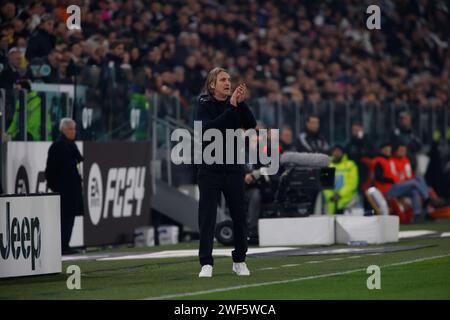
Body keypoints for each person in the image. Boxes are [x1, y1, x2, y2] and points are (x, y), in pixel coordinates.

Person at [195, 67, 256, 278]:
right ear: (212, 84)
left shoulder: (236, 102)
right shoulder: (203, 104)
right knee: (207, 217)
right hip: (210, 169)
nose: (228, 83)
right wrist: (231, 108)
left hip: (233, 168)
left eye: (229, 79)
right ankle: (206, 263)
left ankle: (239, 259)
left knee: (239, 216)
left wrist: (240, 103)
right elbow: (209, 131)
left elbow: (251, 123)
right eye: (223, 80)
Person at [45, 118, 84, 254]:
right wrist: (56, 187)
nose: (73, 132)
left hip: (72, 189)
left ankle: (66, 245)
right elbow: (50, 170)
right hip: (64, 189)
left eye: (74, 129)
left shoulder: (72, 145)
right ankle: (62, 246)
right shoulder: (58, 146)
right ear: (62, 130)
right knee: (64, 219)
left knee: (70, 218)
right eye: (70, 129)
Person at [323, 145, 359, 214]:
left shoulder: (350, 165)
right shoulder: (327, 165)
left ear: (343, 152)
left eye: (339, 151)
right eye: (335, 151)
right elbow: (325, 184)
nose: (337, 153)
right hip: (332, 203)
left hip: (347, 202)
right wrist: (330, 196)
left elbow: (352, 183)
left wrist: (340, 194)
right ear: (332, 152)